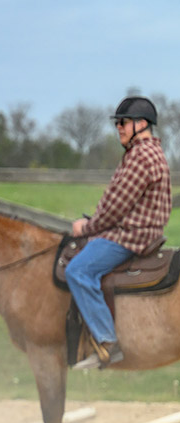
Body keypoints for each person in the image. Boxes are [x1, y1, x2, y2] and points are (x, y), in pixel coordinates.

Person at [67, 96, 172, 369]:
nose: (119, 129)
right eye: (118, 124)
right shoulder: (151, 152)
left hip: (131, 236)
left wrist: (87, 227)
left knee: (78, 270)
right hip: (142, 230)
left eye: (123, 123)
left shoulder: (140, 156)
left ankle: (107, 341)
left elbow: (114, 206)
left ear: (141, 124)